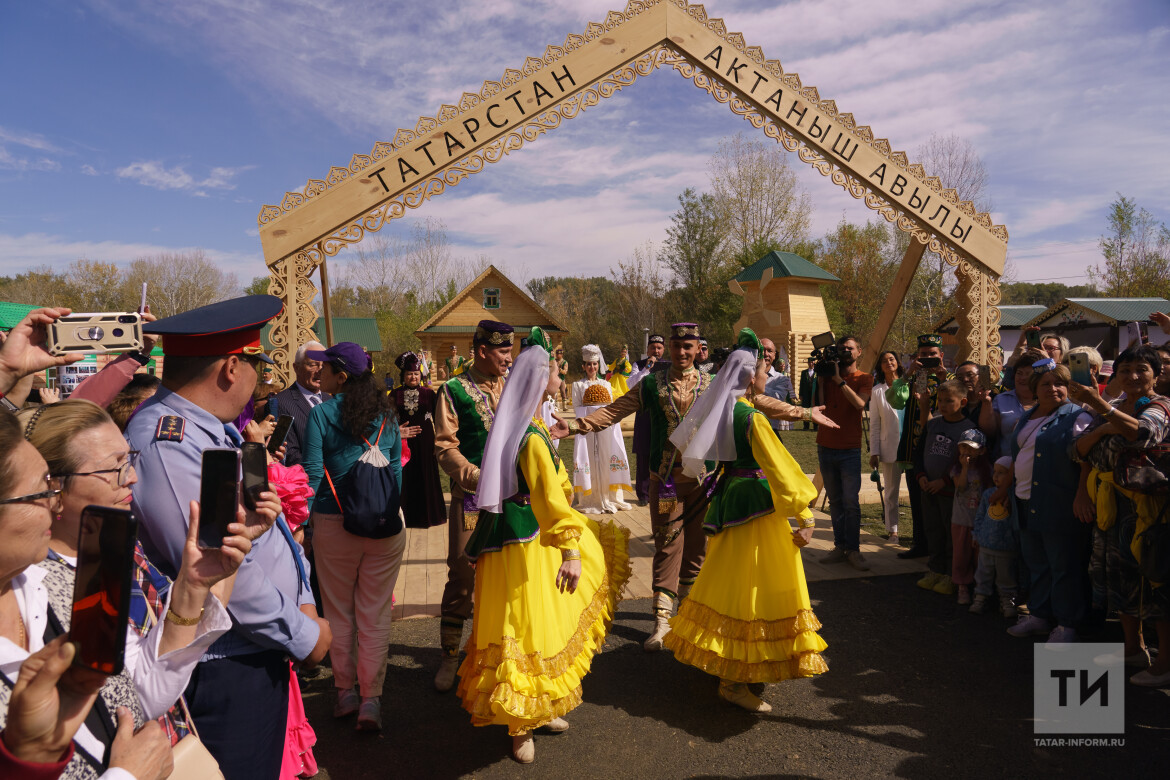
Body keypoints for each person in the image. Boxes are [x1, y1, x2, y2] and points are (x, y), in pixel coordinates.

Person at [125, 296, 332, 779]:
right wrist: (303, 634)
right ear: (231, 368)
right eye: (258, 366)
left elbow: (261, 534)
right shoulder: (169, 441)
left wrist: (302, 598)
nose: (260, 380)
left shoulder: (205, 430)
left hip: (253, 648)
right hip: (224, 663)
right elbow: (217, 565)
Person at [0, 409, 249, 779]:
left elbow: (136, 695)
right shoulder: (71, 571)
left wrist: (193, 585)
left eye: (128, 460)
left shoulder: (57, 581)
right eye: (42, 489)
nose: (131, 477)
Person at [457, 327, 630, 763]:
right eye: (556, 370)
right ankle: (520, 724)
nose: (561, 375)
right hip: (524, 542)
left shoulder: (529, 426)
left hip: (523, 537)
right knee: (522, 623)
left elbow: (554, 486)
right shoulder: (530, 436)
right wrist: (571, 550)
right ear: (540, 379)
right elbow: (549, 499)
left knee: (539, 622)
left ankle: (540, 703)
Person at [663, 329, 827, 713]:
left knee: (729, 580)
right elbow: (780, 468)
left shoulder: (723, 409)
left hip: (730, 501)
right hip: (756, 507)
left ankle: (728, 662)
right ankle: (734, 679)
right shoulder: (751, 418)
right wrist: (804, 514)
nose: (767, 375)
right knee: (753, 585)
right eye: (763, 370)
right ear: (751, 378)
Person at [572, 323, 712, 651]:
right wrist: (578, 425)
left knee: (698, 547)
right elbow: (615, 410)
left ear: (697, 349)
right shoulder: (651, 383)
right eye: (676, 346)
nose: (681, 352)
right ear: (669, 348)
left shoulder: (712, 383)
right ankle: (662, 622)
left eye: (688, 346)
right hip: (665, 481)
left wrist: (801, 411)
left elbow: (747, 407)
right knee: (667, 545)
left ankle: (689, 615)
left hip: (702, 482)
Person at [301, 342, 405, 731]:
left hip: (334, 523)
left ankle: (345, 692)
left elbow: (313, 474)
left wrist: (303, 523)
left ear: (341, 377)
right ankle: (370, 701)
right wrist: (383, 512)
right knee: (375, 614)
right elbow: (395, 472)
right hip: (385, 526)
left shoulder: (321, 415)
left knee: (339, 613)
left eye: (324, 369)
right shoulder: (387, 414)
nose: (318, 374)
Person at [1071, 344, 1170, 685]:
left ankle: (1165, 664)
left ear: (1157, 374)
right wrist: (1103, 427)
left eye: (1142, 369)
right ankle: (1133, 649)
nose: (1132, 376)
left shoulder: (1161, 407)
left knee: (1156, 582)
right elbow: (1078, 450)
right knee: (1119, 580)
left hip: (1148, 511)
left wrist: (1102, 409)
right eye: (1125, 370)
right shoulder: (1115, 407)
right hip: (1111, 508)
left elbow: (1142, 434)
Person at [432, 320, 513, 691]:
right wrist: (478, 477)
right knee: (463, 575)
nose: (509, 359)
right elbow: (444, 447)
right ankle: (450, 656)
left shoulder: (513, 386)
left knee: (509, 575)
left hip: (513, 500)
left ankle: (501, 658)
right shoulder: (453, 390)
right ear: (482, 351)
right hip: (471, 499)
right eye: (503, 352)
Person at [1004, 360, 1093, 645]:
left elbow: (1087, 460)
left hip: (1059, 502)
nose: (1053, 389)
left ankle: (1067, 624)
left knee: (1063, 566)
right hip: (1024, 500)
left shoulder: (1078, 416)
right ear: (1035, 388)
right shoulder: (1027, 416)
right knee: (1037, 564)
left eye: (1060, 383)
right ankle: (1040, 616)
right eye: (1046, 384)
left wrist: (1082, 494)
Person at [889, 334, 952, 560]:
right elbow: (894, 400)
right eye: (923, 354)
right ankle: (920, 544)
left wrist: (944, 379)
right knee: (916, 500)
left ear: (941, 355)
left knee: (941, 503)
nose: (927, 358)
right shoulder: (912, 379)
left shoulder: (950, 378)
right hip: (914, 449)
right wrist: (907, 374)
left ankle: (942, 551)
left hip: (942, 450)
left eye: (932, 354)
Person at [912, 379, 977, 595]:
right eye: (940, 400)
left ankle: (951, 574)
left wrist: (944, 481)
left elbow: (965, 462)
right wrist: (921, 476)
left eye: (949, 401)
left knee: (951, 534)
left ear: (963, 402)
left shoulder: (969, 429)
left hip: (950, 493)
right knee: (933, 531)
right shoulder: (933, 424)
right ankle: (935, 570)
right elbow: (919, 453)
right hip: (927, 488)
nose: (943, 405)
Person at [817, 335, 874, 572]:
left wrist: (839, 380)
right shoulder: (828, 376)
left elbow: (860, 404)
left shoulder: (864, 378)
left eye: (850, 348)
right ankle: (840, 547)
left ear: (859, 351)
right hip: (825, 445)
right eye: (841, 348)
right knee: (835, 501)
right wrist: (822, 380)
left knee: (851, 502)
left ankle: (854, 550)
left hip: (850, 449)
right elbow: (820, 407)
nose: (845, 351)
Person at [571, 345, 633, 514]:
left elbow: (609, 406)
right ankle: (590, 497)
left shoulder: (606, 384)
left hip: (605, 427)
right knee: (589, 458)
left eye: (595, 364)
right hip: (586, 427)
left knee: (606, 456)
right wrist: (589, 414)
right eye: (589, 364)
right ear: (584, 366)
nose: (592, 367)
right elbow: (577, 408)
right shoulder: (578, 385)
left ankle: (608, 495)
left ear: (598, 365)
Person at [391, 351, 445, 528]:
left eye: (416, 374)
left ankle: (429, 517)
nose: (413, 377)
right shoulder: (394, 395)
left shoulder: (429, 394)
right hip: (402, 443)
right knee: (405, 477)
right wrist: (396, 433)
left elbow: (439, 418)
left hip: (426, 442)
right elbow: (387, 420)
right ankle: (406, 516)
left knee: (425, 476)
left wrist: (439, 442)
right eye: (409, 374)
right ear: (403, 376)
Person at [970, 456, 1020, 617]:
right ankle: (980, 598)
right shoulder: (987, 495)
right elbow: (980, 516)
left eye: (1002, 473)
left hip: (1006, 547)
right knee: (983, 575)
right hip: (986, 545)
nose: (996, 476)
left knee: (1006, 577)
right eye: (995, 472)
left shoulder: (1015, 497)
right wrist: (976, 535)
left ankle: (1007, 601)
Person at [270, 342, 330, 468]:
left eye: (323, 366)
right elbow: (290, 454)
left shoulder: (330, 399)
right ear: (296, 368)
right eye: (313, 365)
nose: (319, 370)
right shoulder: (280, 403)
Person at [950, 429, 991, 605]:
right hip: (961, 520)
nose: (966, 451)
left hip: (980, 522)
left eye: (971, 448)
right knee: (961, 554)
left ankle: (980, 587)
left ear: (981, 450)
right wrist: (965, 468)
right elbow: (960, 488)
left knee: (979, 557)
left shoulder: (987, 470)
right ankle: (962, 586)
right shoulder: (956, 469)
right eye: (963, 447)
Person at [869, 350, 905, 544]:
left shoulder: (908, 385)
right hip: (889, 446)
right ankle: (893, 531)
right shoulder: (877, 391)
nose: (889, 362)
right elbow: (874, 424)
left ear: (897, 362)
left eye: (892, 359)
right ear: (880, 367)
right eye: (884, 361)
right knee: (891, 491)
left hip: (910, 445)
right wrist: (874, 452)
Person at [630, 334, 665, 503]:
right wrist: (646, 369)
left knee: (662, 453)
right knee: (643, 454)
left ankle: (660, 491)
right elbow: (631, 385)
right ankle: (643, 494)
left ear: (663, 350)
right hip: (644, 413)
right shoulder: (638, 365)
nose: (656, 351)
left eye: (659, 348)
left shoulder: (669, 366)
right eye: (653, 348)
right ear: (647, 349)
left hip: (663, 414)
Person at [761, 338, 794, 434]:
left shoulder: (781, 378)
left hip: (770, 430)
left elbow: (776, 399)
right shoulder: (746, 375)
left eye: (769, 351)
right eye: (762, 350)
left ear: (774, 355)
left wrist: (753, 387)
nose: (766, 354)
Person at [798, 356, 817, 430]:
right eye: (809, 362)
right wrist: (800, 394)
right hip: (806, 394)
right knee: (806, 409)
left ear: (814, 363)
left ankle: (815, 425)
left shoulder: (817, 372)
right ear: (808, 363)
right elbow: (801, 384)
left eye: (812, 362)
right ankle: (806, 425)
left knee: (814, 409)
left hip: (814, 394)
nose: (811, 364)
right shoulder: (804, 372)